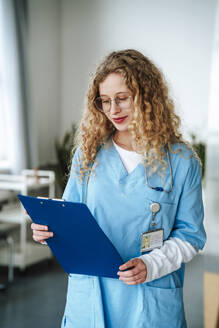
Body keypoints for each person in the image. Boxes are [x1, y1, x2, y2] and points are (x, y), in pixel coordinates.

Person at [31, 49, 206, 328]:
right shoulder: (89, 154)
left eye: (122, 99)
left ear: (147, 97)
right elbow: (70, 217)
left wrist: (152, 265)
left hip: (150, 298)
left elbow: (191, 236)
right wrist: (47, 230)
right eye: (105, 101)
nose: (113, 110)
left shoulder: (181, 161)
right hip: (91, 295)